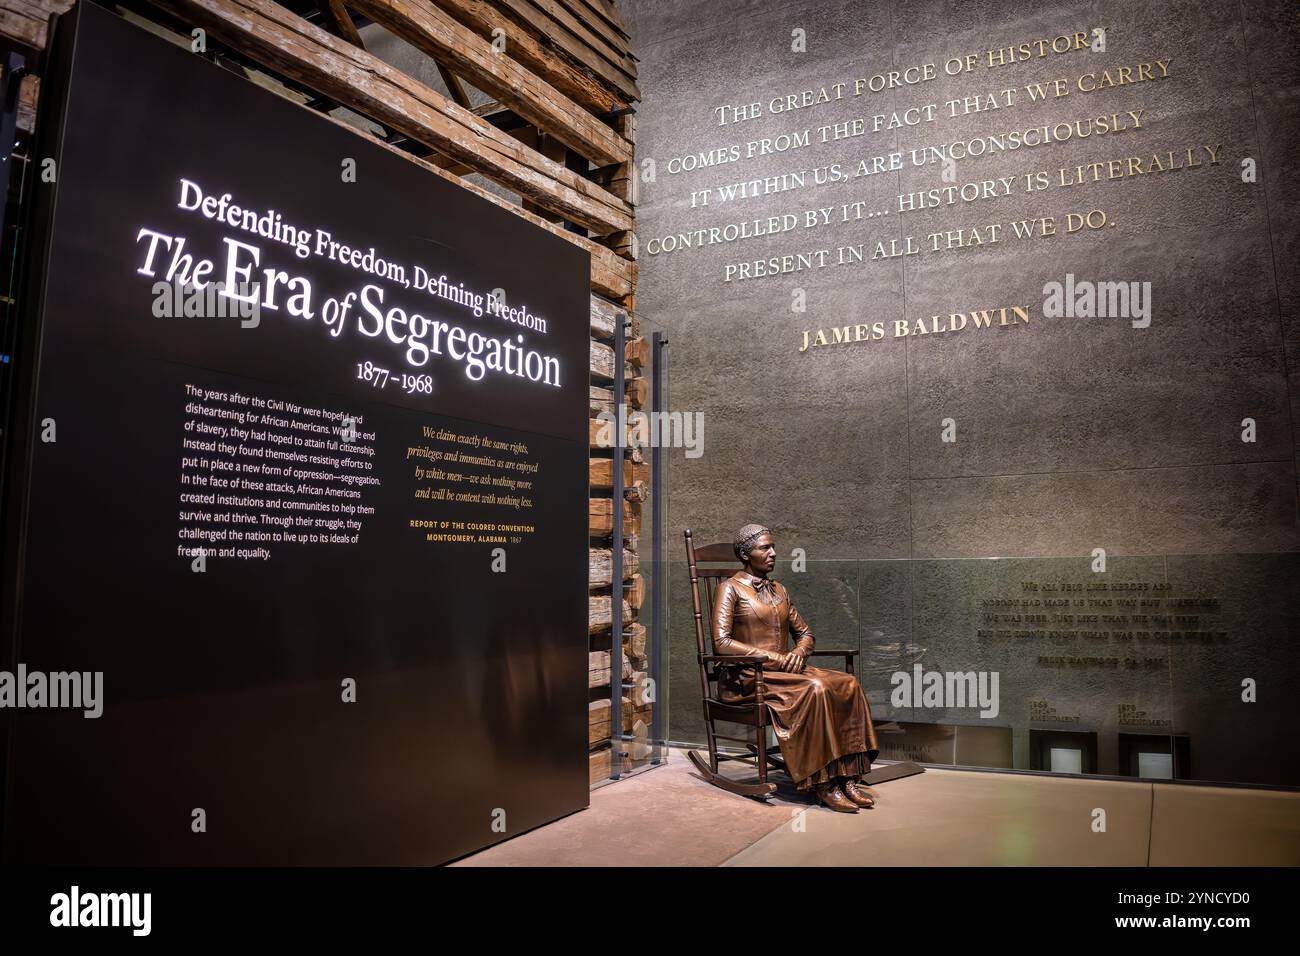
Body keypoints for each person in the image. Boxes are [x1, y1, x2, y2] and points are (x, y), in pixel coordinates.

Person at [712, 524, 880, 812]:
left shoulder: (779, 590)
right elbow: (721, 642)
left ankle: (848, 776)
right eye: (764, 547)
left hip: (786, 672)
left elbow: (805, 633)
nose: (773, 552)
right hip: (751, 676)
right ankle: (822, 782)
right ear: (744, 553)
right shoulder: (730, 589)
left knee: (847, 683)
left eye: (772, 546)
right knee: (815, 688)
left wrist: (800, 652)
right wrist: (775, 658)